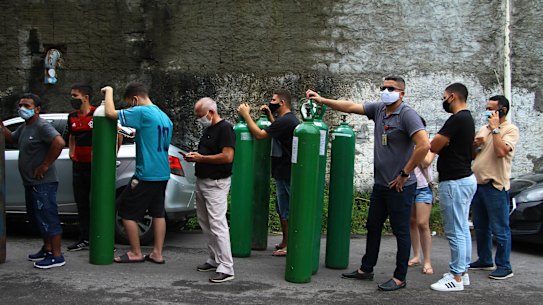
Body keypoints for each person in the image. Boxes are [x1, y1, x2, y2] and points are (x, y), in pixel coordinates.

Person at [306, 76, 430, 291]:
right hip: (381, 185)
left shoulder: (407, 115)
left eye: (390, 88)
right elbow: (351, 106)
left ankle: (400, 277)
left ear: (402, 93)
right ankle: (366, 269)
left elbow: (424, 145)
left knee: (401, 231)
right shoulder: (380, 109)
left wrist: (405, 173)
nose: (385, 90)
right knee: (373, 226)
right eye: (383, 87)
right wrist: (322, 100)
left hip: (400, 187)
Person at [103, 82, 172, 265]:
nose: (129, 108)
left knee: (126, 211)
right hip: (162, 172)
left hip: (146, 174)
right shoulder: (165, 117)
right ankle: (157, 253)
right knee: (158, 213)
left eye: (129, 104)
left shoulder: (142, 112)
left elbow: (110, 113)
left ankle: (135, 252)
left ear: (135, 99)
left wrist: (109, 91)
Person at [1, 93, 66, 269]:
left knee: (48, 217)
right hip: (31, 183)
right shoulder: (25, 127)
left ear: (37, 109)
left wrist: (44, 165)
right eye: (21, 105)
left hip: (43, 183)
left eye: (27, 106)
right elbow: (11, 138)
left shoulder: (41, 126)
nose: (22, 109)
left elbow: (59, 142)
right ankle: (47, 248)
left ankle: (57, 256)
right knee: (38, 218)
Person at [237, 89, 299, 257]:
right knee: (282, 209)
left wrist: (246, 114)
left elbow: (260, 135)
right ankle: (286, 242)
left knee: (288, 210)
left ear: (282, 103)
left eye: (273, 100)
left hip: (287, 171)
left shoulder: (287, 121)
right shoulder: (286, 120)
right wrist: (270, 116)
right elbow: (277, 131)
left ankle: (291, 246)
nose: (270, 102)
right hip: (282, 170)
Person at [429, 83, 477, 292]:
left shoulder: (457, 119)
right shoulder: (468, 119)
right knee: (462, 228)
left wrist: (442, 142)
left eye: (444, 96)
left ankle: (456, 278)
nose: (444, 100)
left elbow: (433, 145)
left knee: (455, 230)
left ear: (453, 96)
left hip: (455, 181)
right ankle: (462, 272)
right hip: (465, 178)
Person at [185, 97, 236, 283]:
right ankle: (215, 259)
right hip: (203, 180)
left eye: (201, 116)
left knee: (217, 224)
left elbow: (227, 156)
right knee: (206, 222)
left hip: (216, 183)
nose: (200, 119)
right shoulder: (209, 129)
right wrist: (197, 157)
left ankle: (227, 267)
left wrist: (201, 158)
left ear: (211, 112)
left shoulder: (225, 129)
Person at [470, 95, 519, 280]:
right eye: (487, 108)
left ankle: (504, 266)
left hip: (495, 185)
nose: (488, 112)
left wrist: (495, 129)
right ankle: (484, 259)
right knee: (481, 227)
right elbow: (474, 156)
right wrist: (475, 145)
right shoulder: (484, 128)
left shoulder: (510, 130)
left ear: (503, 110)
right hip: (478, 184)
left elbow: (500, 152)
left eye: (491, 109)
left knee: (500, 228)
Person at [66, 84, 95, 251]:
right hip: (78, 166)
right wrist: (72, 152)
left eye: (75, 96)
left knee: (97, 203)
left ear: (85, 97)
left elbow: (117, 134)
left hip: (94, 166)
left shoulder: (97, 114)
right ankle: (85, 238)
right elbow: (71, 136)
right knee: (82, 204)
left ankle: (103, 238)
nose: (72, 99)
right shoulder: (72, 117)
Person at [408, 118, 436, 275]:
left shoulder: (430, 143)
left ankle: (427, 261)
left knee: (422, 223)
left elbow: (426, 162)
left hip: (423, 187)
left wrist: (418, 147)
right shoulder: (406, 143)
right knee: (411, 222)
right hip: (409, 186)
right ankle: (416, 255)